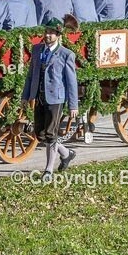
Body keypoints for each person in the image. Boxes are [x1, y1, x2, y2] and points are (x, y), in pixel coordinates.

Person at [21, 18, 79, 183]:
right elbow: (31, 75)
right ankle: (67, 154)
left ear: (58, 35)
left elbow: (71, 82)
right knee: (40, 134)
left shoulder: (66, 54)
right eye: (46, 32)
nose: (47, 35)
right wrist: (26, 96)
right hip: (39, 97)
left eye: (51, 33)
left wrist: (73, 105)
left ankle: (48, 170)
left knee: (51, 134)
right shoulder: (37, 50)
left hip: (56, 98)